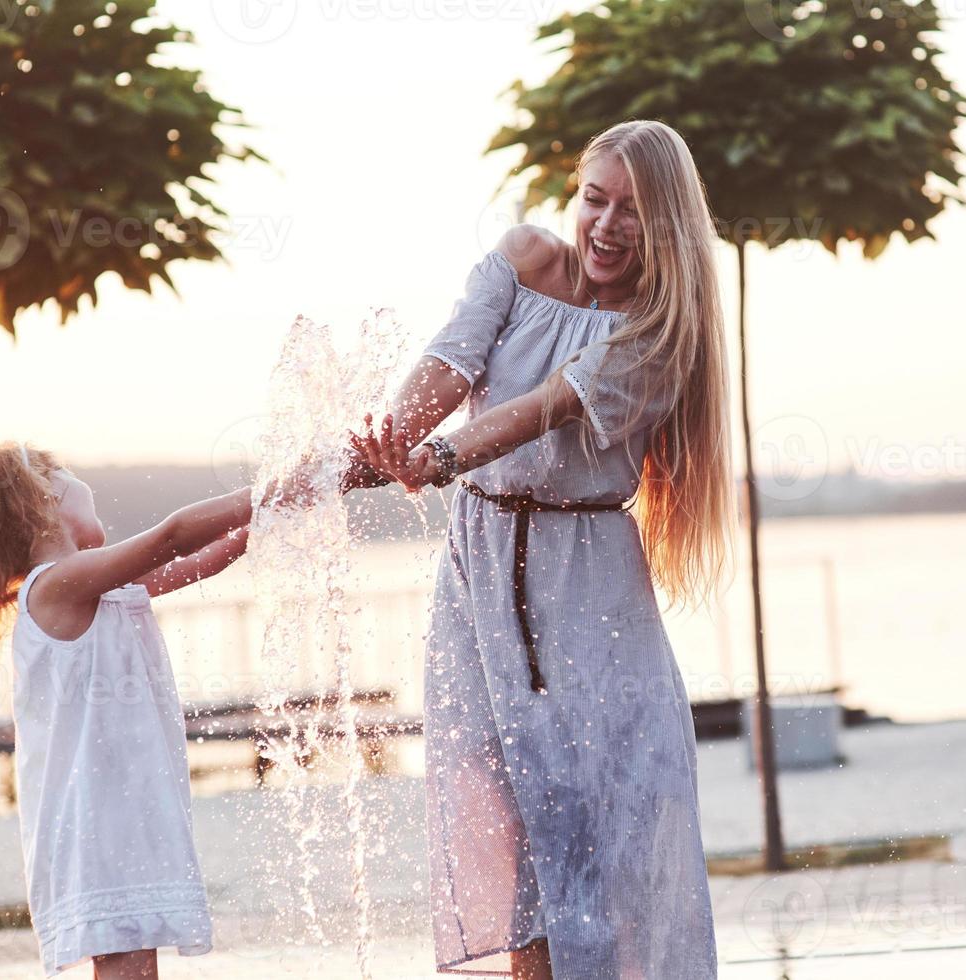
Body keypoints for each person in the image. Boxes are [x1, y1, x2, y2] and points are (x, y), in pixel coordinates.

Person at [352, 119, 732, 979]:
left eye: (632, 211)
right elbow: (452, 359)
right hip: (478, 564)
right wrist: (392, 441)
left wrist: (437, 456)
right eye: (594, 199)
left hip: (587, 578)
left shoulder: (662, 329)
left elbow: (549, 406)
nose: (604, 225)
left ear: (668, 222)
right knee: (506, 814)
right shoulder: (523, 258)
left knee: (608, 820)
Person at [0, 442, 259, 979]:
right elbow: (173, 537)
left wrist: (292, 505)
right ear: (42, 497)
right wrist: (276, 487)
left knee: (134, 959)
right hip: (94, 819)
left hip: (123, 809)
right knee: (125, 961)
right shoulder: (54, 586)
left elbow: (206, 559)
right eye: (66, 471)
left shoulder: (102, 587)